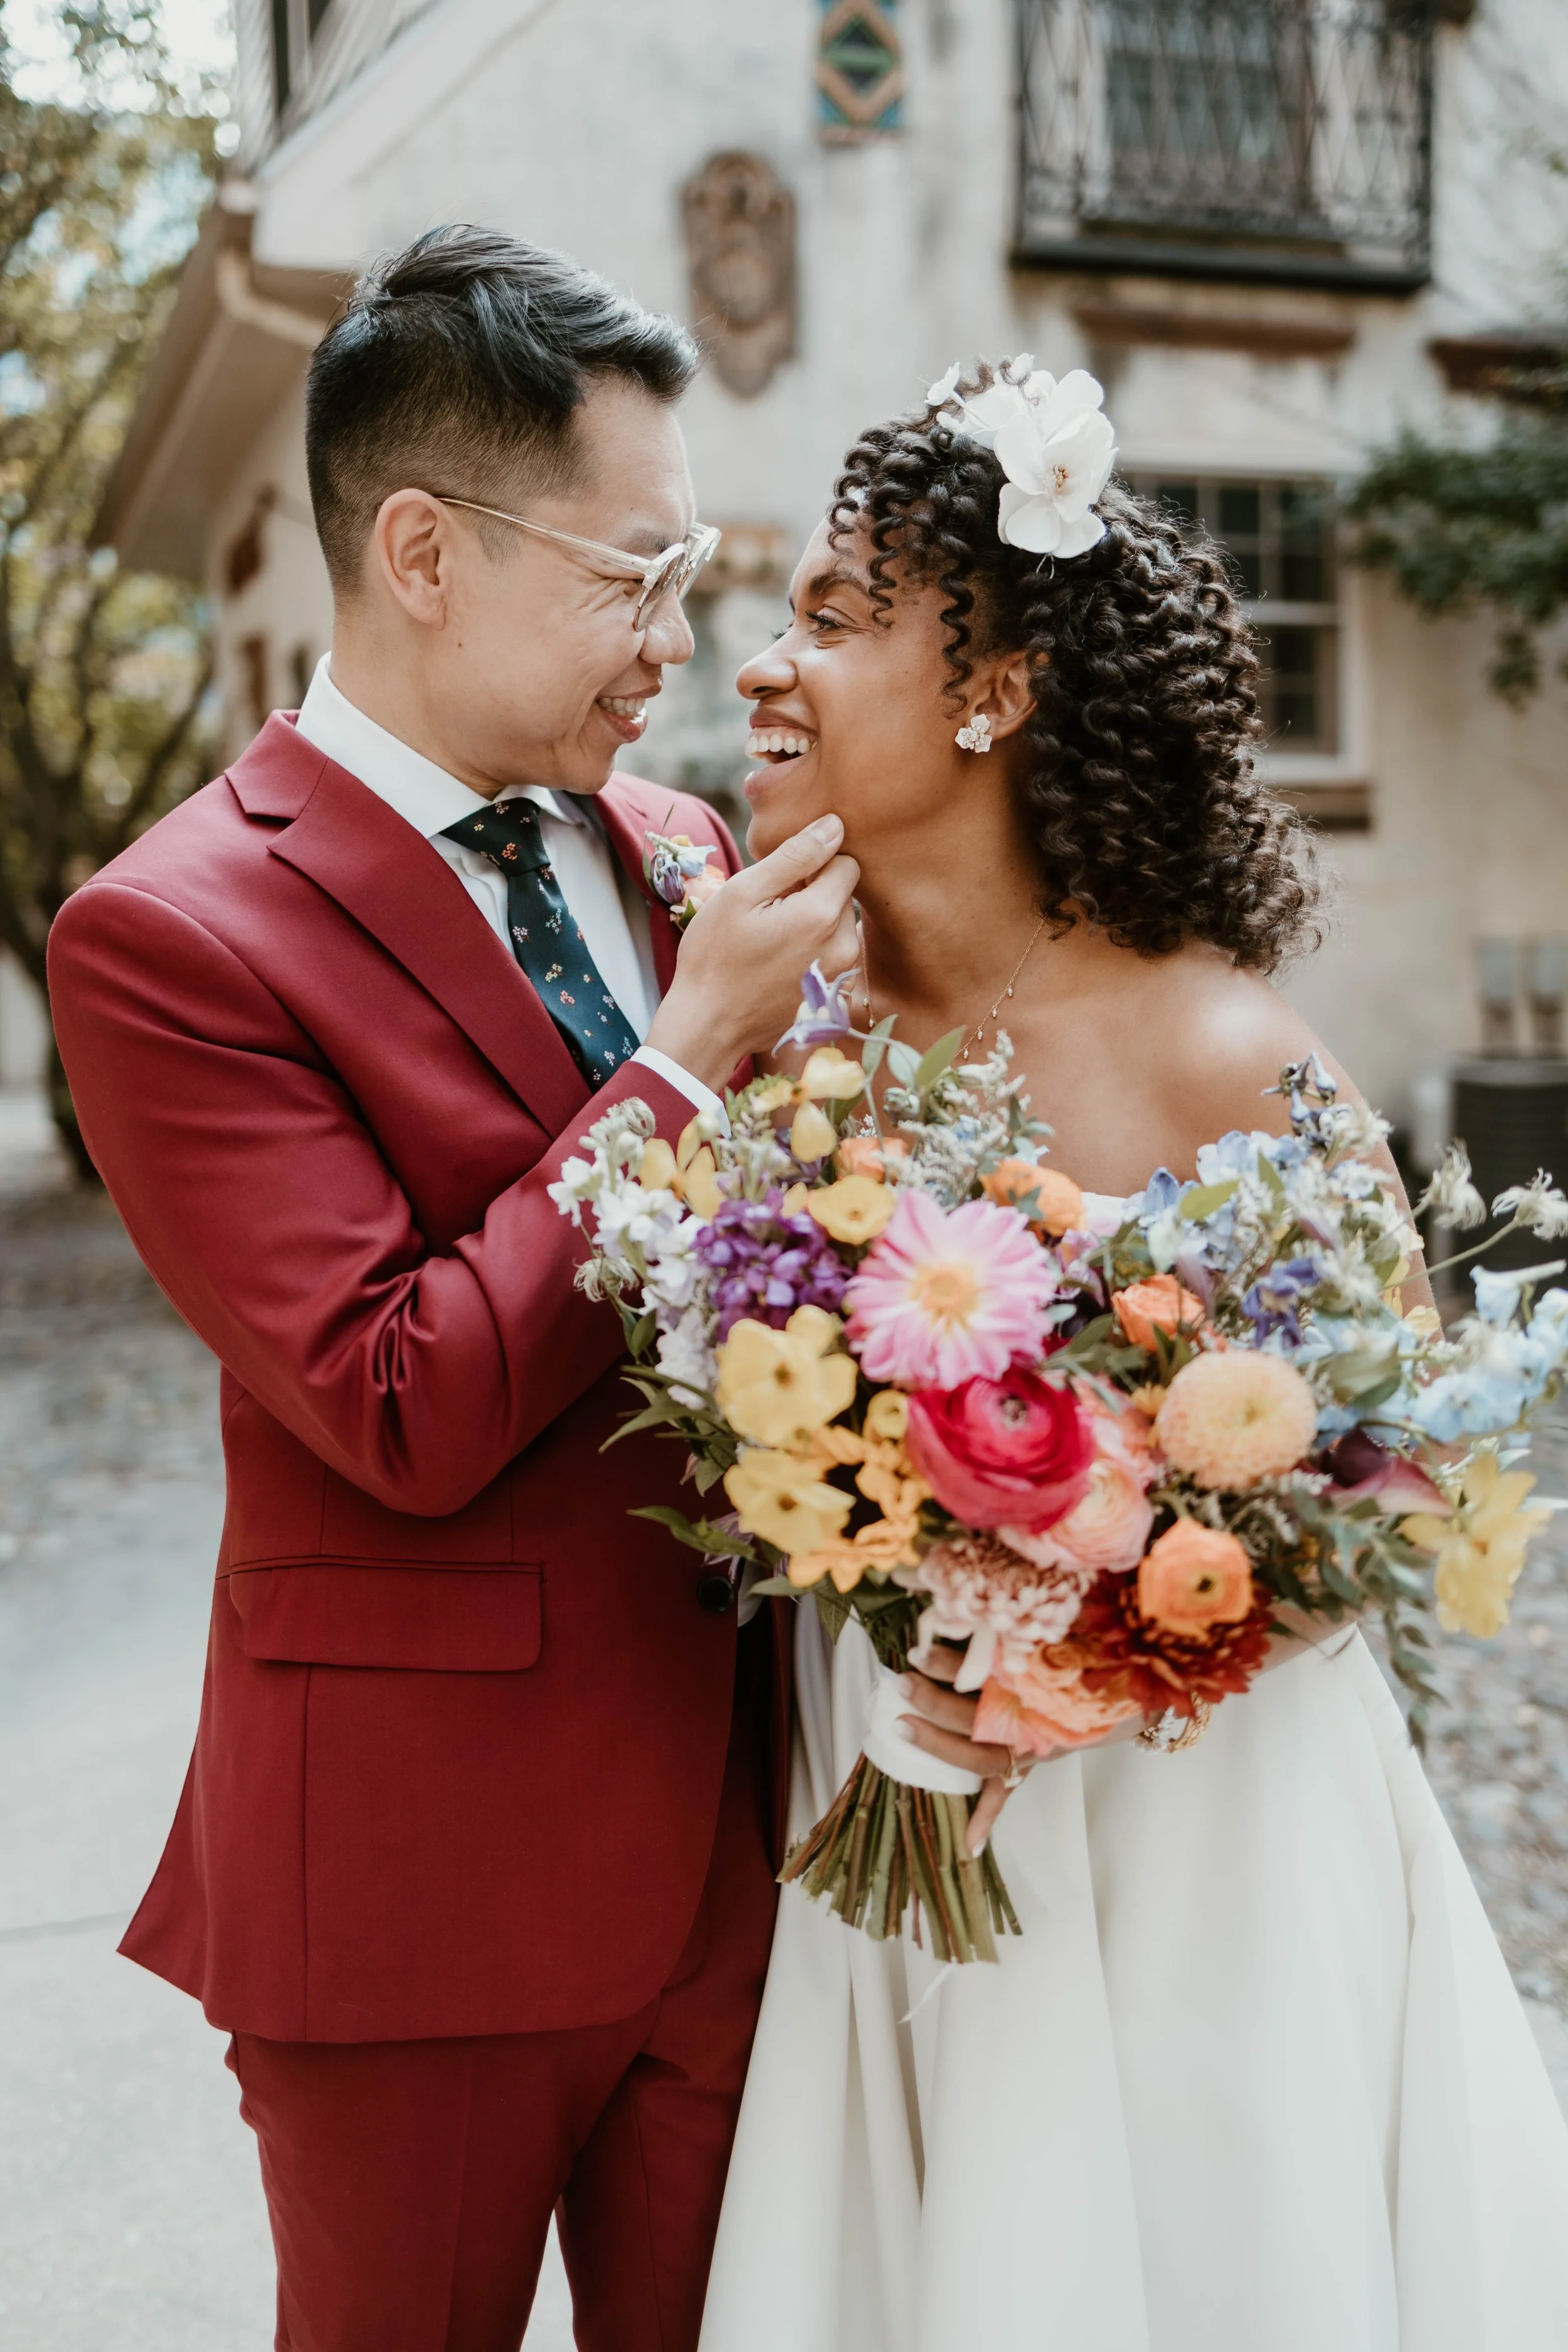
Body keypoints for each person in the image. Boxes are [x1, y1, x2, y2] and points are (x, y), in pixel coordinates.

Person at [47, 226, 861, 2352]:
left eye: (693, 570)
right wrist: (684, 1064)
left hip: (734, 1841)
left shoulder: (673, 844)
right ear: (422, 549)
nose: (677, 637)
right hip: (418, 1893)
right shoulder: (173, 934)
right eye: (630, 575)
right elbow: (395, 1394)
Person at [697, 367, 1568, 2351]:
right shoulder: (767, 1043)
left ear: (991, 688)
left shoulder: (1220, 1049)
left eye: (834, 616)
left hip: (1206, 1840)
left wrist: (1079, 1645)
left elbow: (1401, 1472)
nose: (770, 664)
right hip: (885, 1789)